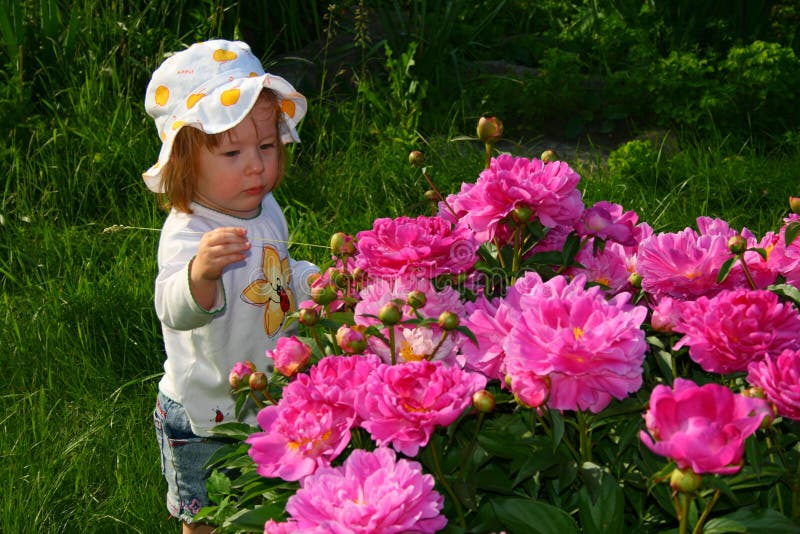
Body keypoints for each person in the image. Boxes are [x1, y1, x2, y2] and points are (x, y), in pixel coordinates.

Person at [143, 39, 318, 533]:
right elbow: (172, 307)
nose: (256, 166)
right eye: (233, 152)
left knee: (265, 502)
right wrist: (200, 275)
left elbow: (275, 270)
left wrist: (310, 281)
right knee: (206, 516)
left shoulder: (264, 208)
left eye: (266, 146)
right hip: (207, 414)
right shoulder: (188, 231)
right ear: (184, 160)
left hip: (265, 395)